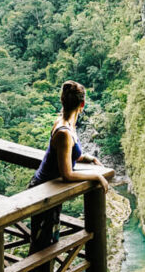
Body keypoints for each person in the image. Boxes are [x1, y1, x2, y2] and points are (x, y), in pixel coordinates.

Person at [28, 80, 115, 252]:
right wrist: (97, 176)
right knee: (42, 247)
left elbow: (66, 155)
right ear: (82, 104)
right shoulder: (64, 132)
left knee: (47, 243)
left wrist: (86, 158)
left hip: (49, 190)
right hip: (44, 191)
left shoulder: (66, 123)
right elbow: (67, 173)